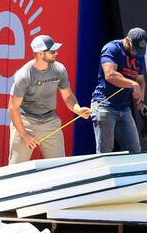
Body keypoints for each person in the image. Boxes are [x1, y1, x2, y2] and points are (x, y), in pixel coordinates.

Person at [7, 35, 90, 165]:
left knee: (59, 167)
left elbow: (68, 96)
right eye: (52, 51)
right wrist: (24, 135)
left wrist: (77, 109)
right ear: (40, 54)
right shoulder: (23, 75)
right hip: (26, 122)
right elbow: (12, 108)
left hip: (50, 122)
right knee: (15, 170)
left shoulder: (59, 69)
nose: (56, 53)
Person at [91, 27, 147, 153]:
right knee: (105, 151)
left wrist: (140, 101)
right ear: (127, 40)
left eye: (139, 51)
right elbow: (110, 75)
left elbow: (140, 80)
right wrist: (133, 84)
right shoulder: (112, 48)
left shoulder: (138, 55)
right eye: (134, 49)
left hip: (124, 109)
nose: (135, 53)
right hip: (104, 106)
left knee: (134, 150)